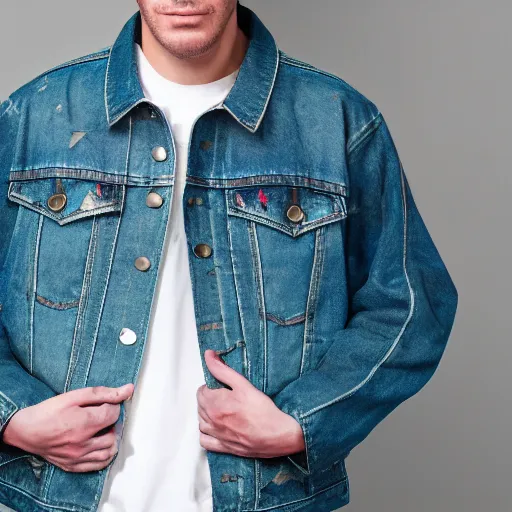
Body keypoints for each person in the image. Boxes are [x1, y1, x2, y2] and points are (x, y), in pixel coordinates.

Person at [0, 1, 458, 511]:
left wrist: (302, 423)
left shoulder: (337, 121)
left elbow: (412, 305)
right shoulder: (33, 117)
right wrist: (12, 415)